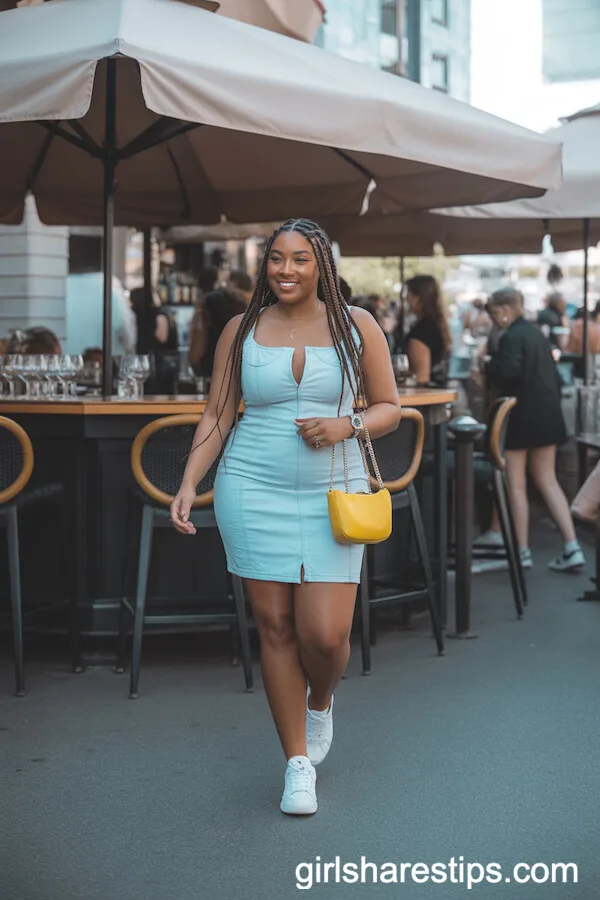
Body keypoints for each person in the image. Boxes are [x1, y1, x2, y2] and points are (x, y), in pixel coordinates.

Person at [170, 218, 401, 816]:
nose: (287, 270)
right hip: (251, 486)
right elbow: (218, 415)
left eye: (300, 259)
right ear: (263, 265)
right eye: (277, 258)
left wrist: (347, 423)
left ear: (322, 264)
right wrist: (191, 481)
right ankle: (297, 764)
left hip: (335, 490)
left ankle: (319, 701)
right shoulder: (240, 329)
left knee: (325, 636)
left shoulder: (358, 324)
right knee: (273, 629)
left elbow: (389, 409)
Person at [480, 287, 585, 572]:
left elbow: (508, 371)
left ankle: (522, 550)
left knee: (516, 483)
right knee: (548, 480)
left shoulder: (512, 336)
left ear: (503, 309)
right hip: (548, 414)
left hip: (522, 415)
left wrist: (488, 365)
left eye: (493, 314)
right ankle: (572, 546)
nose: (493, 320)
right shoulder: (537, 333)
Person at [189, 270, 254, 377]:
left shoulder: (209, 301)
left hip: (211, 369)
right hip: (242, 374)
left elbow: (198, 339)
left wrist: (195, 362)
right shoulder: (253, 307)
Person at [398, 275, 451, 386]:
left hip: (425, 398)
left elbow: (421, 377)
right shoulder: (438, 324)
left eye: (408, 294)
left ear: (418, 298)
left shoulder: (422, 331)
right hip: (440, 394)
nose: (406, 299)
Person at [130, 287, 179, 394]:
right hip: (158, 368)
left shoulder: (136, 315)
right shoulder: (159, 314)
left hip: (151, 366)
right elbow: (162, 337)